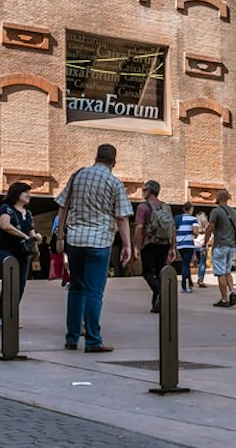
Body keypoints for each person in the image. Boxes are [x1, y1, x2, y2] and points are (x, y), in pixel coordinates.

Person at [57, 143, 134, 352]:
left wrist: (61, 233)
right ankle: (92, 340)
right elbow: (121, 217)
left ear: (96, 157)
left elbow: (62, 205)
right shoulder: (114, 183)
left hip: (74, 240)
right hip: (99, 242)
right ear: (114, 161)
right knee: (94, 293)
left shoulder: (77, 175)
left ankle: (72, 337)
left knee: (76, 289)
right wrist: (127, 244)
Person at [0, 180, 43, 324]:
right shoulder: (6, 208)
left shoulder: (28, 213)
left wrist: (36, 236)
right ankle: (2, 315)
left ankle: (11, 314)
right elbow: (5, 225)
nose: (29, 195)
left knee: (20, 284)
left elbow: (31, 232)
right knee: (10, 282)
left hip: (23, 252)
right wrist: (23, 235)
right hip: (6, 250)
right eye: (25, 192)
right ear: (17, 193)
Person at [134, 181, 178, 313]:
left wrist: (136, 246)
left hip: (149, 243)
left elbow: (139, 227)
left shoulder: (143, 207)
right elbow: (172, 228)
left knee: (147, 272)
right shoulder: (166, 207)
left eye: (144, 189)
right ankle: (157, 305)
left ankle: (160, 292)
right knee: (160, 272)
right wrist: (172, 247)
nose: (143, 192)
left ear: (149, 191)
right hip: (164, 243)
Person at [207, 189, 236, 308]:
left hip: (220, 245)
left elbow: (210, 227)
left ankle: (224, 299)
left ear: (220, 198)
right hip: (231, 246)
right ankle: (232, 291)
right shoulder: (235, 213)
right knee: (227, 271)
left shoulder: (216, 211)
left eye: (216, 196)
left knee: (220, 273)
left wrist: (205, 241)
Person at [175, 203, 201, 293]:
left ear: (183, 209)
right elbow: (195, 232)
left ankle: (190, 283)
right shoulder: (193, 219)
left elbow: (174, 230)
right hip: (188, 244)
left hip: (179, 244)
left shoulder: (178, 218)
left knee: (185, 263)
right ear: (191, 209)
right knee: (185, 265)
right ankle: (184, 286)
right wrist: (195, 234)